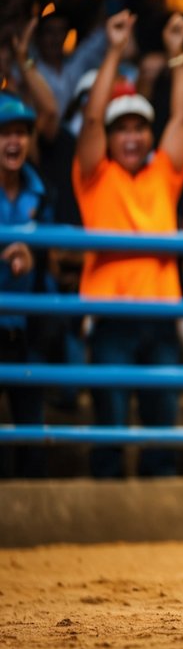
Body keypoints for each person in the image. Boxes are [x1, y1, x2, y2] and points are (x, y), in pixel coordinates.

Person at [73, 10, 183, 478]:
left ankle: (158, 511)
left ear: (148, 135)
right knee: (109, 424)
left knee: (161, 426)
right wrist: (115, 51)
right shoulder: (93, 176)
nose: (130, 136)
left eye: (138, 128)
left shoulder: (162, 174)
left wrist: (178, 53)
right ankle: (107, 507)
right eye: (120, 127)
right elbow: (88, 119)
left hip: (162, 316)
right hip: (110, 319)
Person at [0, 93, 47, 478]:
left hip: (28, 329)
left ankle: (36, 513)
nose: (13, 142)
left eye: (20, 133)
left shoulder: (42, 191)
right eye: (4, 134)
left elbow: (62, 252)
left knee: (31, 429)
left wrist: (37, 255)